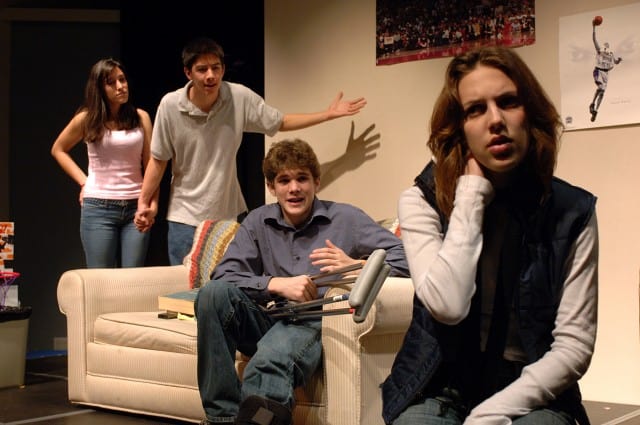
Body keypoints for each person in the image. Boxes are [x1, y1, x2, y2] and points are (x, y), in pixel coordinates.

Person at [381, 46, 598, 425]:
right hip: (441, 382)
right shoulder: (421, 201)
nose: (495, 120)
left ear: (530, 112)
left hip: (532, 386)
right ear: (459, 127)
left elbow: (574, 346)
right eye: (475, 110)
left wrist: (491, 412)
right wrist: (470, 196)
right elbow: (447, 306)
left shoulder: (572, 211)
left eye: (508, 102)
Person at [195, 138, 409, 424]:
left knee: (268, 362)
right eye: (284, 180)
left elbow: (407, 257)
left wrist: (358, 265)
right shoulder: (258, 221)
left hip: (313, 319)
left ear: (316, 182)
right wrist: (276, 283)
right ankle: (222, 418)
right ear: (272, 187)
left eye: (302, 178)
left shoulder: (346, 218)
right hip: (267, 315)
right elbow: (224, 275)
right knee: (212, 294)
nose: (294, 188)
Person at [134, 37, 368, 265]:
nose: (210, 76)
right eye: (202, 69)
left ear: (224, 69)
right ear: (188, 73)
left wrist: (326, 114)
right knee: (185, 291)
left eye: (216, 68)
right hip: (184, 217)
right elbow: (158, 159)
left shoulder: (238, 97)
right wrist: (143, 203)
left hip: (229, 213)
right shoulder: (170, 105)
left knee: (233, 281)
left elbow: (279, 122)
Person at [51, 58, 156, 268]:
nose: (120, 86)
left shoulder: (140, 117)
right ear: (99, 88)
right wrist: (84, 182)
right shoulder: (87, 118)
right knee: (101, 280)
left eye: (122, 80)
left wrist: (151, 204)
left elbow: (153, 164)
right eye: (111, 82)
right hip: (99, 207)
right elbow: (58, 149)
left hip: (136, 205)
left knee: (132, 280)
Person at [589, 19, 622, 122]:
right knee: (600, 87)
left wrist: (618, 61)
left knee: (602, 92)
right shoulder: (600, 50)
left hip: (606, 73)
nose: (606, 45)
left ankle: (595, 111)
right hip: (598, 71)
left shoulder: (611, 54)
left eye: (607, 44)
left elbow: (615, 62)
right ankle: (592, 104)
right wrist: (594, 28)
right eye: (605, 44)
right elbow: (594, 40)